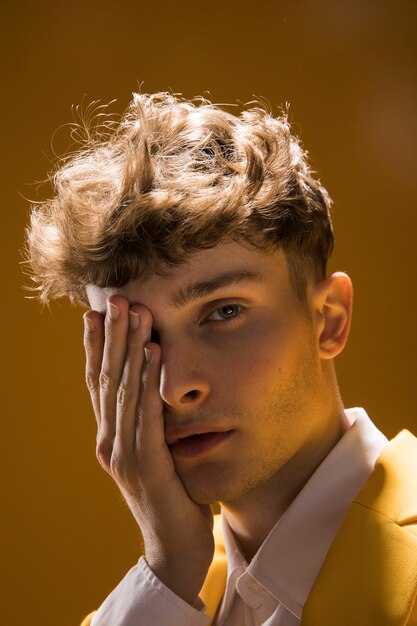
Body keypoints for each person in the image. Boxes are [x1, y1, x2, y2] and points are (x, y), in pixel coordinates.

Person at [23, 92, 417, 626]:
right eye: (139, 338)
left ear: (329, 319)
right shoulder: (162, 595)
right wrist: (165, 570)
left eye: (223, 311)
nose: (173, 386)